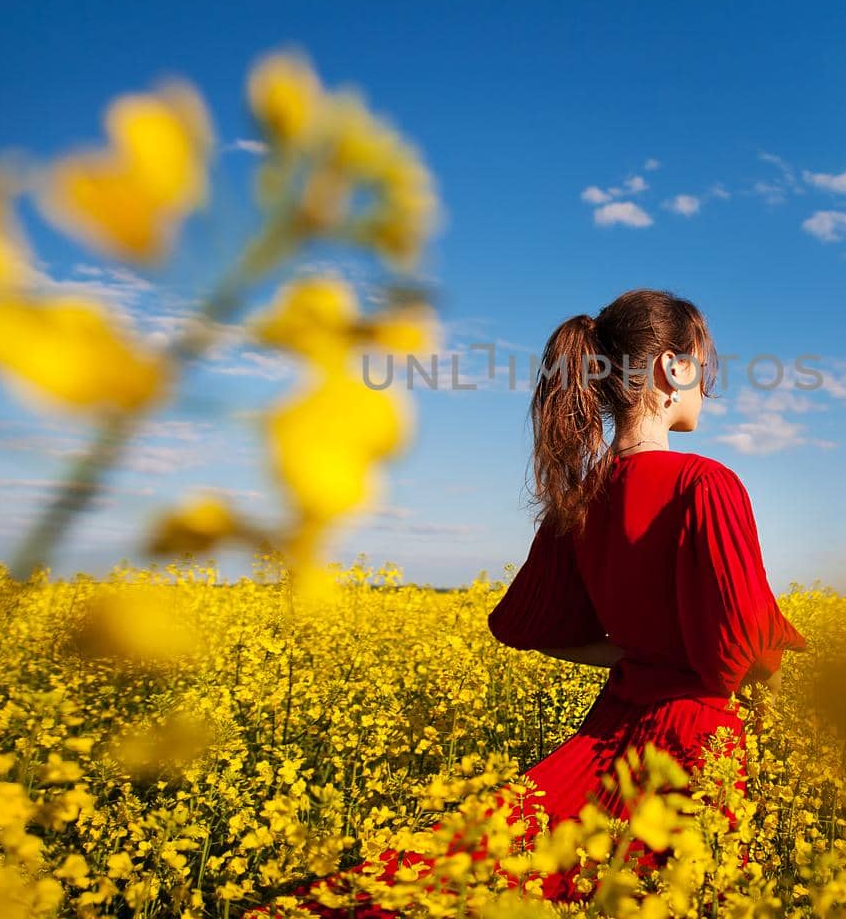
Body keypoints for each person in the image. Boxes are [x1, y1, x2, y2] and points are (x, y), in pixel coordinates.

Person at [261, 288, 808, 916]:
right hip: (696, 744)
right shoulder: (706, 484)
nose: (707, 387)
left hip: (609, 736)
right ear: (671, 370)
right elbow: (741, 654)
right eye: (703, 368)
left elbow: (529, 628)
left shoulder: (575, 500)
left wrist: (638, 657)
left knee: (463, 879)